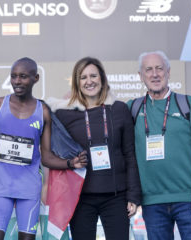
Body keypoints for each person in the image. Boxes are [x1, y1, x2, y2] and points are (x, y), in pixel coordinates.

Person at [0, 57, 88, 240]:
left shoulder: (43, 111)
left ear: (36, 78)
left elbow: (46, 157)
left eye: (23, 76)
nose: (17, 81)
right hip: (0, 191)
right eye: (14, 76)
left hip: (29, 191)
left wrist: (70, 163)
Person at [47, 57, 141, 240]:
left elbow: (130, 155)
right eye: (83, 77)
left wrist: (134, 195)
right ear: (77, 82)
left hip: (116, 197)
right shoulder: (64, 114)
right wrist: (68, 163)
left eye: (93, 76)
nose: (89, 81)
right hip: (80, 198)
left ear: (102, 79)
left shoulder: (119, 109)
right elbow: (50, 153)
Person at [127, 51, 191, 240]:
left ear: (168, 72)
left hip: (188, 201)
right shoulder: (132, 108)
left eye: (159, 68)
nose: (154, 74)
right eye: (148, 69)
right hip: (152, 202)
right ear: (141, 76)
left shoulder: (188, 104)